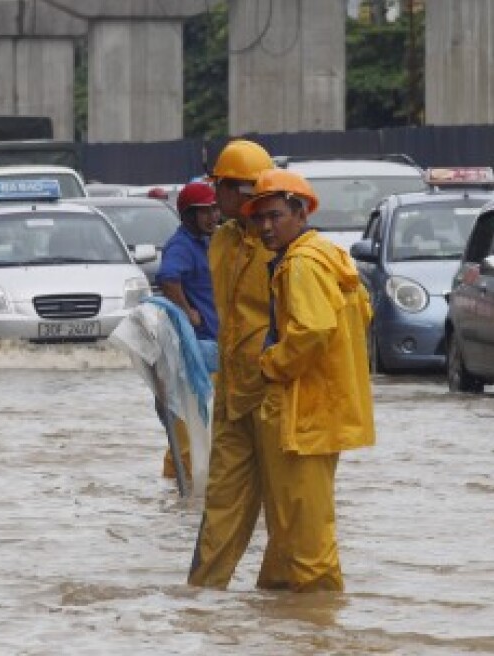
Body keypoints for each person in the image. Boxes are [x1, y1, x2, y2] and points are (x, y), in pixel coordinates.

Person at [243, 168, 374, 592]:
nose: (265, 226)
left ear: (300, 214)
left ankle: (317, 628)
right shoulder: (329, 255)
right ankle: (281, 620)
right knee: (288, 530)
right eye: (259, 218)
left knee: (306, 539)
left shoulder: (300, 264)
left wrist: (271, 364)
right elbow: (361, 316)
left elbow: (313, 331)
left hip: (305, 414)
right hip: (321, 409)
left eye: (275, 216)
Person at [187, 139, 281, 590]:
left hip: (277, 397)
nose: (212, 198)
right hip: (234, 395)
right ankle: (203, 598)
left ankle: (290, 611)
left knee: (289, 518)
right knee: (221, 503)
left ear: (241, 191)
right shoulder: (222, 241)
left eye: (219, 188)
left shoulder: (285, 246)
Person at [157, 181, 220, 480]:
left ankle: (178, 495)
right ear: (187, 215)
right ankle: (179, 493)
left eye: (213, 209)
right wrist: (187, 312)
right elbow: (167, 278)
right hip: (194, 353)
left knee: (202, 431)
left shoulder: (208, 241)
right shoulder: (181, 245)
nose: (212, 217)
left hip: (210, 349)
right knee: (187, 436)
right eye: (203, 212)